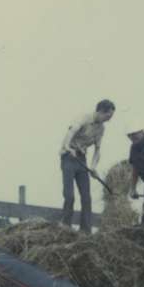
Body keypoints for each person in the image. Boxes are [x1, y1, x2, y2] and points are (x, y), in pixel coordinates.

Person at [60, 99, 115, 234]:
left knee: (86, 197)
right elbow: (70, 133)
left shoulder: (101, 128)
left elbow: (97, 150)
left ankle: (85, 230)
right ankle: (65, 228)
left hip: (81, 160)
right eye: (108, 116)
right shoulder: (83, 118)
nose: (109, 120)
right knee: (70, 196)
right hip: (68, 157)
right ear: (101, 111)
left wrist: (93, 167)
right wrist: (68, 147)